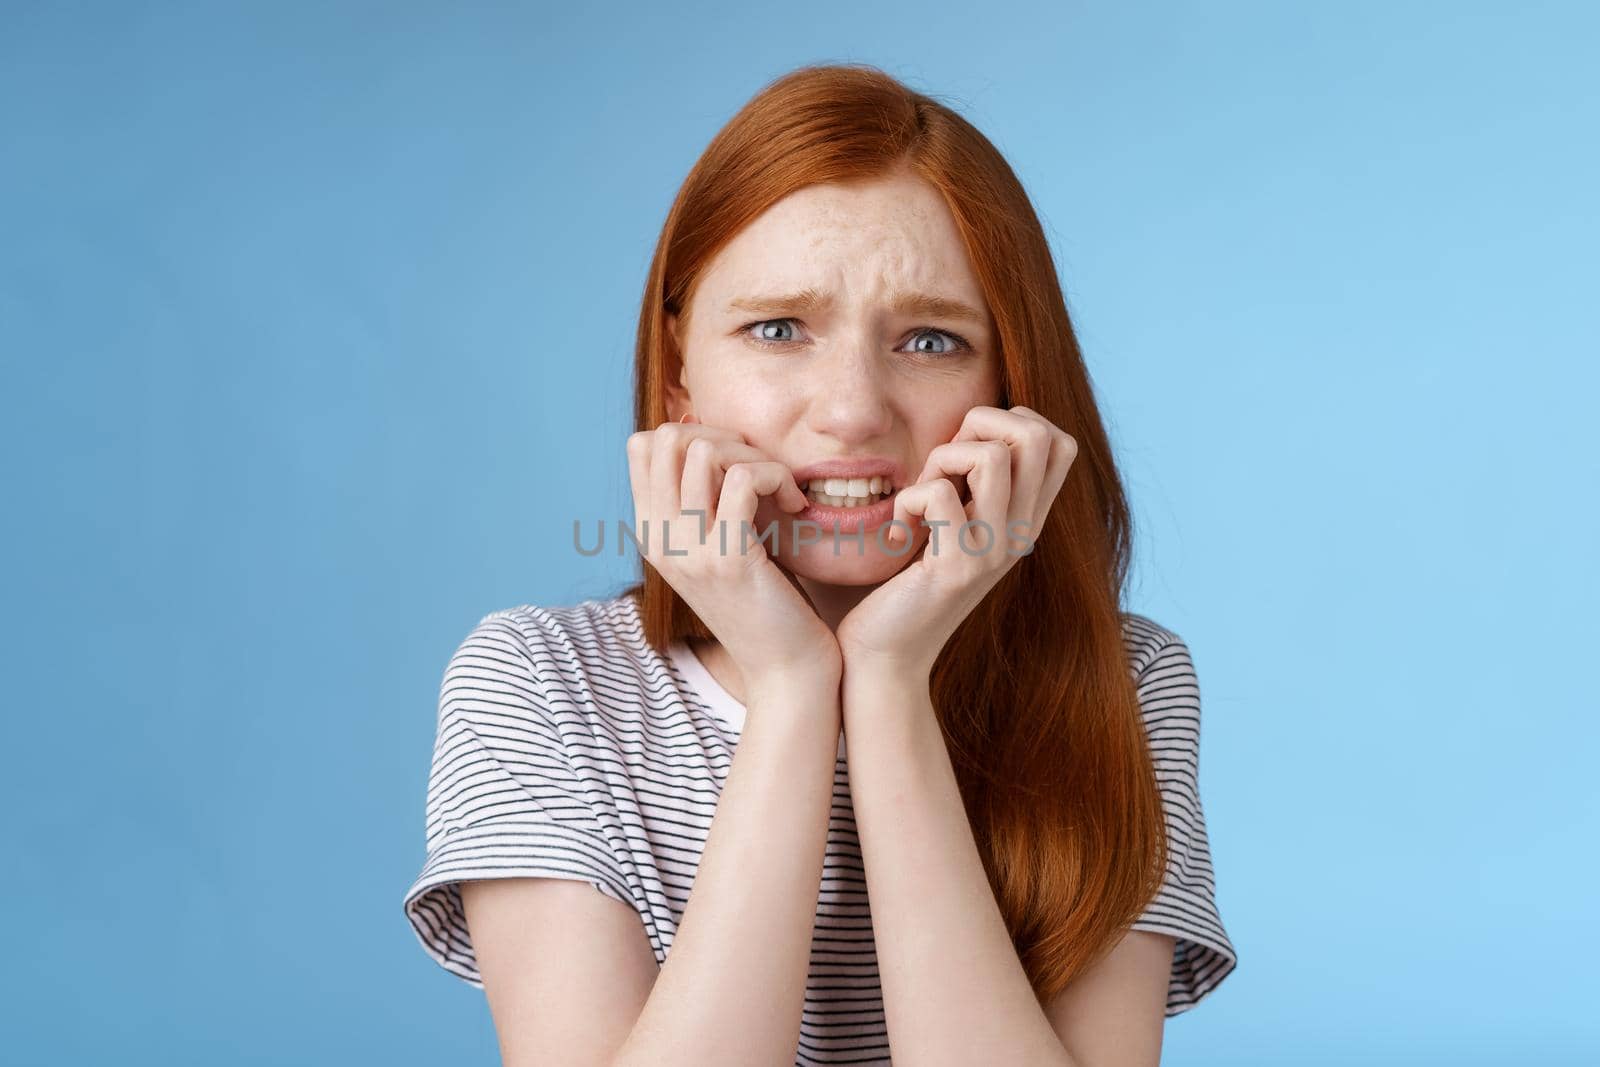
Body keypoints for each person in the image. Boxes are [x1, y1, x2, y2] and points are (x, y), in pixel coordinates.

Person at [402, 62, 1236, 1066]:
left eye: (930, 339)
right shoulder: (538, 684)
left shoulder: (1124, 685)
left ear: (1011, 383)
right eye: (777, 329)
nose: (850, 410)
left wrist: (887, 681)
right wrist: (796, 686)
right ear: (677, 376)